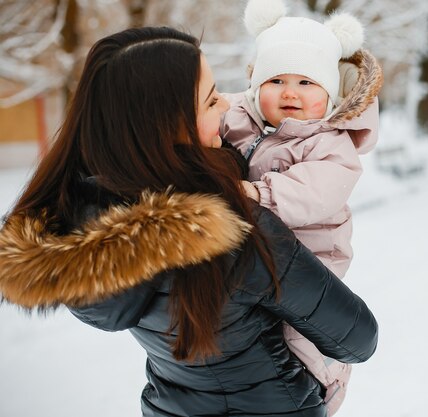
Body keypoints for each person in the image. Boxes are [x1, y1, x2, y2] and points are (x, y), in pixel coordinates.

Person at [0, 26, 378, 417]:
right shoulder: (234, 229)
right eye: (211, 100)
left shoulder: (83, 219)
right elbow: (358, 339)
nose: (226, 109)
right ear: (168, 122)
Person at [221, 0, 383, 414]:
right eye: (275, 79)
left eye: (307, 83)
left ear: (329, 94)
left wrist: (261, 194)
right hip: (262, 254)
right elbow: (204, 111)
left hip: (314, 256)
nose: (290, 92)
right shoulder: (241, 117)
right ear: (256, 85)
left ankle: (326, 387)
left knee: (301, 333)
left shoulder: (329, 143)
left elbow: (317, 192)